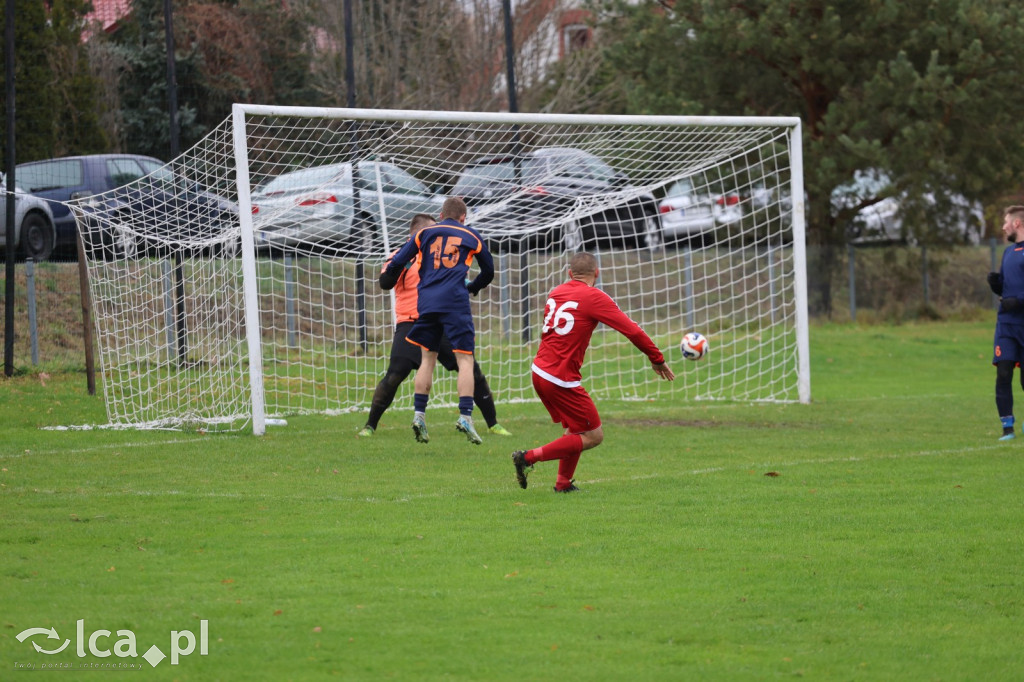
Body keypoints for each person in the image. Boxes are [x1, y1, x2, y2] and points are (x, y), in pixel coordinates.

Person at [511, 251, 675, 492]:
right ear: (596, 273)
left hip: (540, 371)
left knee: (576, 429)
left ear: (569, 274)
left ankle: (563, 483)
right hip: (559, 377)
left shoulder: (556, 292)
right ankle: (528, 458)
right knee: (594, 435)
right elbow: (633, 331)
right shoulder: (593, 297)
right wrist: (657, 358)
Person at [359, 213, 510, 438]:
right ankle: (370, 425)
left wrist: (470, 286)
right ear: (418, 235)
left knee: (471, 369)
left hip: (445, 319)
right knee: (395, 373)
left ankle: (493, 423)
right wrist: (408, 258)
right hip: (412, 322)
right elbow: (385, 283)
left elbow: (462, 279)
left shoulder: (447, 254)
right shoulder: (401, 256)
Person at [987, 205, 1024, 440]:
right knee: (1003, 372)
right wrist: (997, 284)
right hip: (1006, 325)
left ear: (1018, 224)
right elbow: (1007, 288)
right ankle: (1007, 427)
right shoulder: (1008, 252)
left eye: (1006, 222)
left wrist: (1019, 302)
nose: (1003, 227)